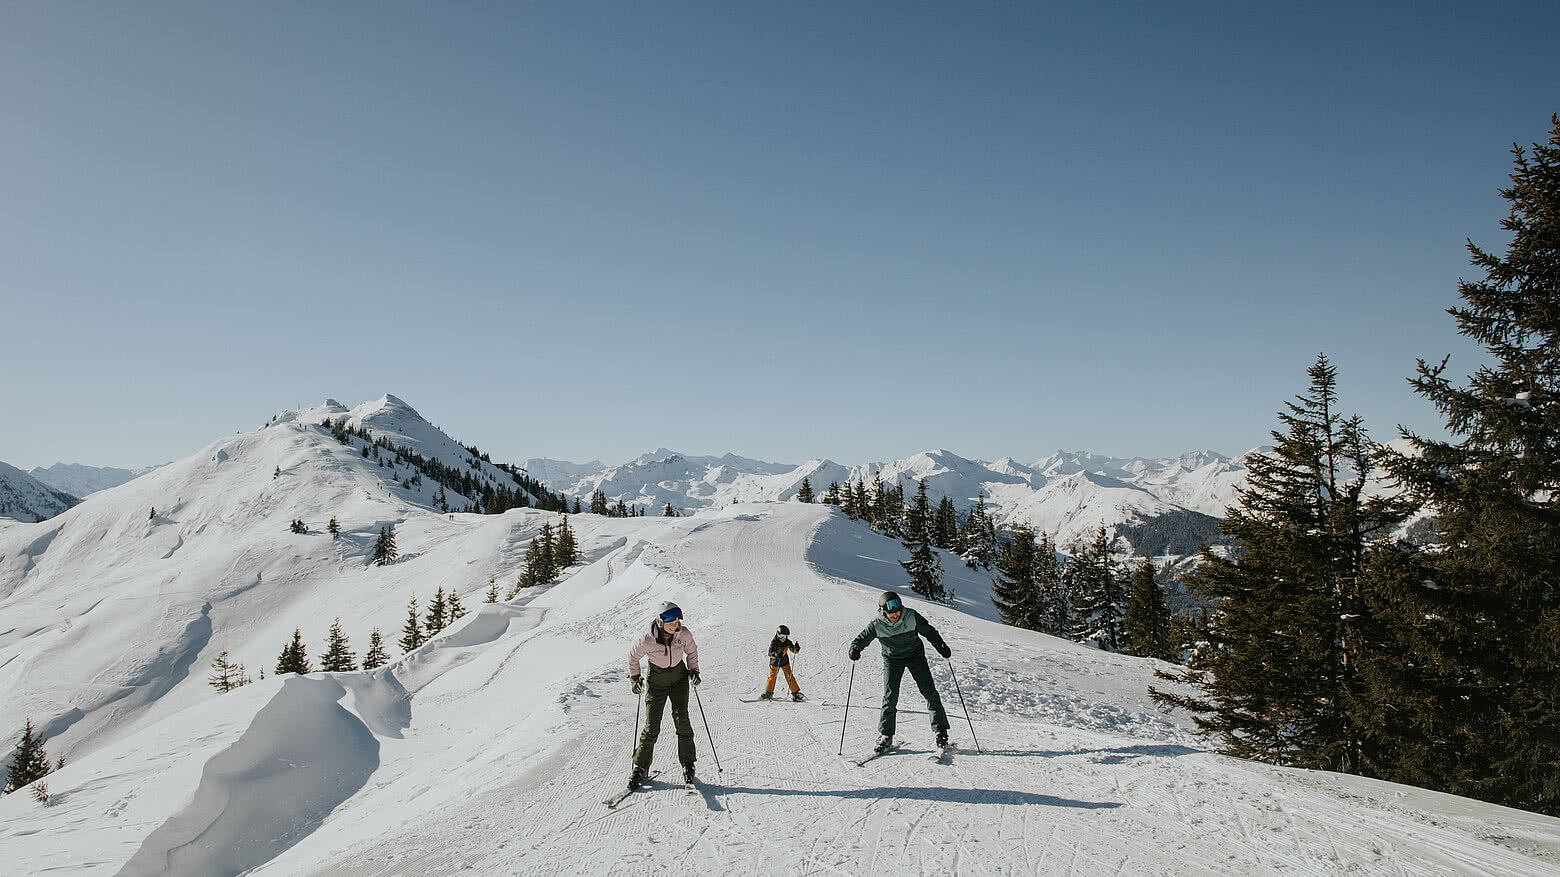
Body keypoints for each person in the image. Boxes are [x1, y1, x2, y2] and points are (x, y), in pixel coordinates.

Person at [848, 590, 952, 753]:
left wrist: (941, 646)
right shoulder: (877, 624)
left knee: (929, 691)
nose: (896, 615)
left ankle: (941, 731)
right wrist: (855, 649)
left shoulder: (911, 616)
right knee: (890, 696)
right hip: (892, 660)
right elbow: (861, 639)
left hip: (915, 655)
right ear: (883, 612)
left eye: (897, 612)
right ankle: (886, 735)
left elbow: (929, 631)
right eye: (891, 613)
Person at [627, 601, 701, 786]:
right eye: (670, 620)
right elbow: (633, 657)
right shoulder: (647, 639)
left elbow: (692, 652)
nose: (674, 624)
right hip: (656, 683)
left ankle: (688, 763)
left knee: (682, 720)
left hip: (678, 680)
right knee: (652, 726)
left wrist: (694, 670)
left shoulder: (683, 635)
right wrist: (635, 678)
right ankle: (640, 767)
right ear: (661, 621)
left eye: (677, 620)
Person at [761, 624, 805, 701]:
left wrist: (796, 648)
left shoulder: (787, 642)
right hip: (775, 662)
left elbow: (794, 650)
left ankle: (795, 693)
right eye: (782, 636)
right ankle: (768, 692)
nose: (784, 639)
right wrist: (776, 654)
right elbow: (770, 653)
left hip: (784, 661)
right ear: (778, 635)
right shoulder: (774, 642)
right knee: (772, 676)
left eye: (785, 636)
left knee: (789, 676)